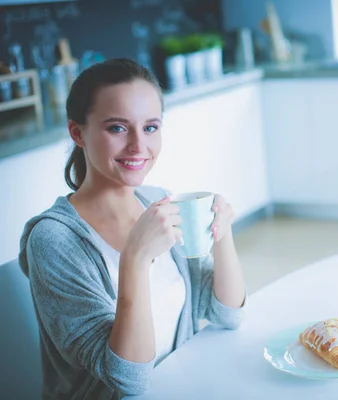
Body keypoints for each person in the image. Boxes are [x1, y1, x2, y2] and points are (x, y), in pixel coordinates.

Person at [18, 58, 247, 399]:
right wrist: (135, 259)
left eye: (151, 127)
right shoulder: (53, 241)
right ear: (77, 132)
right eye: (118, 128)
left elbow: (226, 314)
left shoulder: (156, 201)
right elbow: (127, 380)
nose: (139, 146)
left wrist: (222, 234)